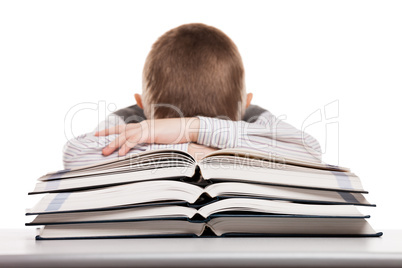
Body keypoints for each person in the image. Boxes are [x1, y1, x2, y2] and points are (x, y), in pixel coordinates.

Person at [63, 23, 321, 169]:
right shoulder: (131, 121)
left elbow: (310, 152)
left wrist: (191, 129)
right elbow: (75, 154)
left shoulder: (256, 119)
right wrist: (191, 149)